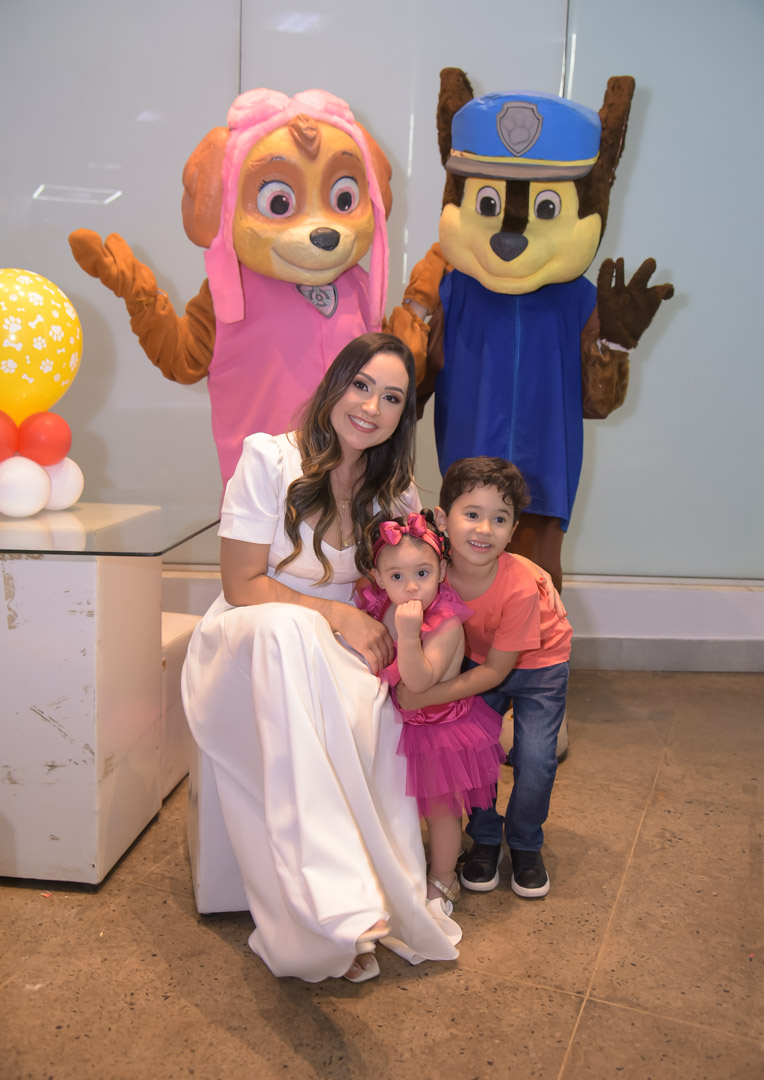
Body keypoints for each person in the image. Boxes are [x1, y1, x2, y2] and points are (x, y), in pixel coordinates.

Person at [181, 332, 461, 984]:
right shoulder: (269, 459)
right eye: (361, 385)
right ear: (335, 384)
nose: (371, 407)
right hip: (250, 640)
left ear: (403, 415)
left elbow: (414, 594)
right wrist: (336, 615)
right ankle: (332, 899)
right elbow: (241, 585)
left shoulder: (396, 495)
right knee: (287, 631)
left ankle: (349, 912)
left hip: (339, 650)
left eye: (392, 398)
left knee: (368, 701)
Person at [396, 457, 572, 899]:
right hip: (479, 659)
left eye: (499, 519)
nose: (484, 529)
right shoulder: (434, 569)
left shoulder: (520, 587)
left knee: (535, 759)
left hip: (540, 666)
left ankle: (525, 842)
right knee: (475, 750)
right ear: (443, 519)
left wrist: (428, 695)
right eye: (472, 514)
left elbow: (497, 671)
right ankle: (486, 837)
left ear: (513, 531)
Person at [355, 511, 505, 912]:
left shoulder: (444, 622)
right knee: (403, 802)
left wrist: (407, 636)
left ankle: (443, 877)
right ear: (378, 577)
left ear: (441, 571)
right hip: (401, 724)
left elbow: (419, 681)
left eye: (422, 573)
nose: (411, 587)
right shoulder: (386, 606)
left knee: (441, 810)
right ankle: (410, 859)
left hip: (438, 729)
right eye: (397, 576)